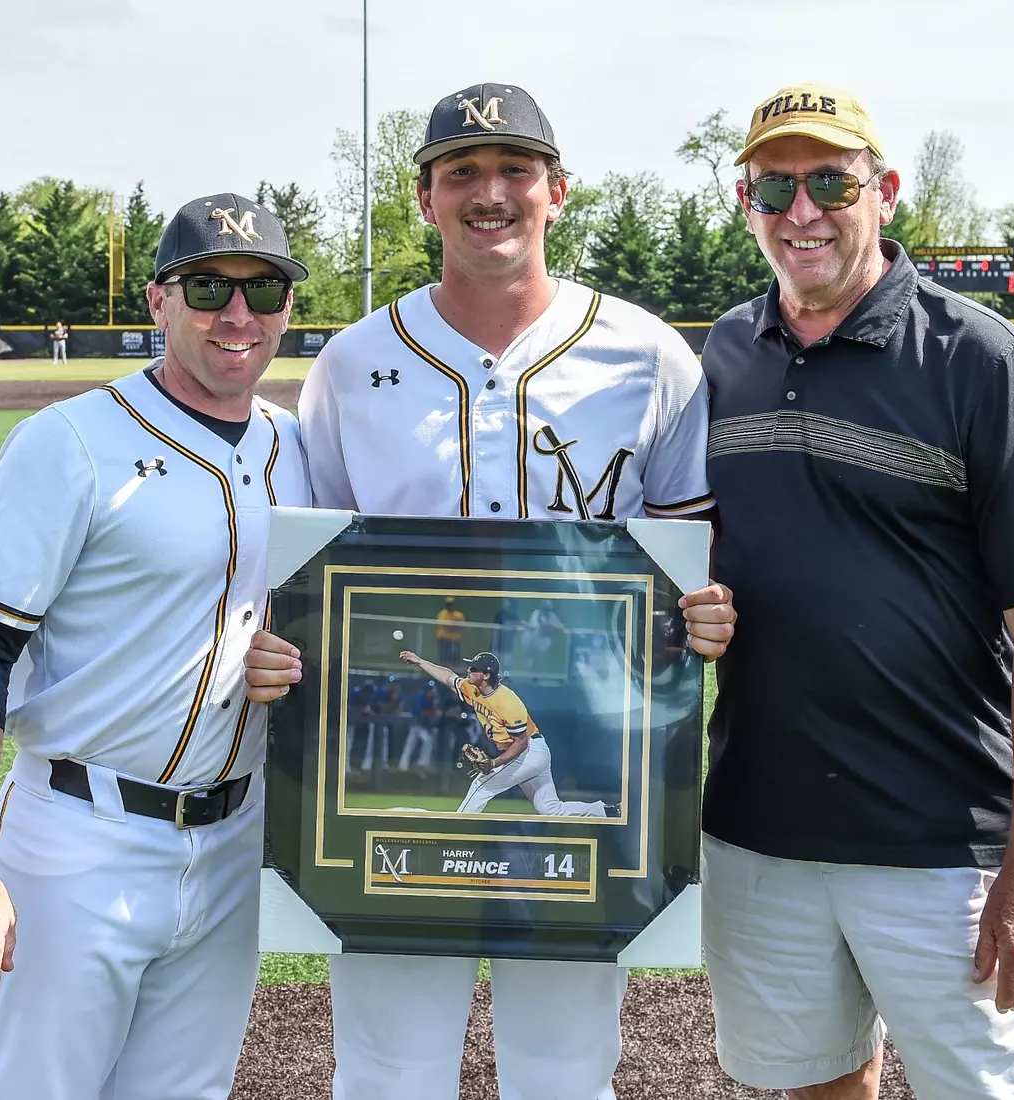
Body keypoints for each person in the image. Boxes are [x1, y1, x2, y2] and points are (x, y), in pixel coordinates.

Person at [245, 81, 736, 1100]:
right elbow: (315, 574)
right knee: (384, 1071)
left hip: (602, 748)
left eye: (515, 168)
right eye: (459, 172)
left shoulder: (649, 358)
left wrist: (706, 609)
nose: (488, 191)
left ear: (559, 190)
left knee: (565, 1071)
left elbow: (690, 559)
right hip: (379, 770)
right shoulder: (351, 363)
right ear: (424, 199)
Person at [697, 83, 1014, 1100]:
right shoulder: (723, 353)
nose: (803, 210)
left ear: (883, 191)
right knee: (817, 1082)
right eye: (775, 185)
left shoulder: (976, 356)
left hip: (941, 842)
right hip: (760, 824)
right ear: (748, 200)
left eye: (831, 180)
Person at [0, 191, 311, 1099]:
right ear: (159, 302)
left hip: (235, 839)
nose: (239, 314)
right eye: (209, 286)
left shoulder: (299, 445)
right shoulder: (68, 443)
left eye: (265, 290)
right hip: (79, 835)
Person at [400, 649, 604, 816]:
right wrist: (420, 662)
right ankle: (603, 811)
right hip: (528, 751)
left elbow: (521, 742)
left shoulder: (508, 701)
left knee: (482, 785)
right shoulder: (474, 690)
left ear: (486, 675)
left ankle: (456, 829)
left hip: (529, 751)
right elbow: (448, 677)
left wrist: (494, 763)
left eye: (474, 669)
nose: (469, 670)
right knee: (551, 809)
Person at [435, 595, 466, 667]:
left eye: (451, 604)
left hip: (455, 639)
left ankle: (455, 670)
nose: (450, 606)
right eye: (448, 605)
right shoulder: (442, 614)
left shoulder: (459, 615)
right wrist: (455, 626)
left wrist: (453, 627)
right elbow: (447, 627)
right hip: (444, 638)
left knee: (455, 656)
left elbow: (463, 626)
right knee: (443, 657)